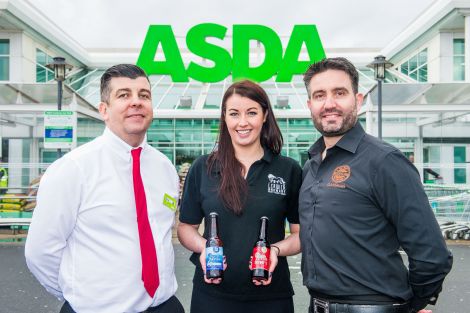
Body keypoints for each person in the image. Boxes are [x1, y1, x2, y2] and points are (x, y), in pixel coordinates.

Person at [25, 64, 184, 313]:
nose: (136, 102)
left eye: (144, 95)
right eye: (123, 95)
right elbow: (40, 251)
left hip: (164, 306)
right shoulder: (73, 169)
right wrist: (80, 295)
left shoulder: (164, 168)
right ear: (104, 110)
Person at [299, 57, 453, 313]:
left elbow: (431, 253)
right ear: (310, 105)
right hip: (317, 305)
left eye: (340, 93)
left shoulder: (384, 161)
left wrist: (408, 306)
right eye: (319, 95)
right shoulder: (311, 165)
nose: (329, 104)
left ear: (357, 100)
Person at [177, 80, 302, 313]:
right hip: (211, 295)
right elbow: (186, 227)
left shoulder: (288, 170)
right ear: (224, 117)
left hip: (271, 297)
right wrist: (204, 247)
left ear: (265, 115)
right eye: (234, 113)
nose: (242, 122)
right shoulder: (203, 167)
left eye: (251, 112)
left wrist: (275, 250)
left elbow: (300, 235)